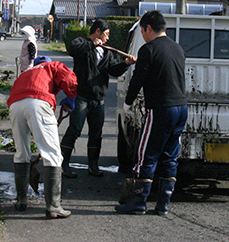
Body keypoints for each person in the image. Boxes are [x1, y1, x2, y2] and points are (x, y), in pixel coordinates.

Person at [115, 11, 188, 216]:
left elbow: (138, 79)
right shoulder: (178, 48)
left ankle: (138, 202)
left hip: (161, 109)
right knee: (170, 156)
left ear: (148, 28)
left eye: (142, 31)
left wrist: (127, 103)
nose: (143, 35)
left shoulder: (148, 49)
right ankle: (163, 204)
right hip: (181, 108)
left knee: (146, 154)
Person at [61, 19, 136, 178]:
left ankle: (93, 166)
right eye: (106, 34)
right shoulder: (82, 42)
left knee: (96, 134)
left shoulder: (107, 51)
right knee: (74, 130)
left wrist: (126, 64)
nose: (108, 38)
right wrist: (92, 44)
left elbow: (113, 71)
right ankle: (64, 163)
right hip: (81, 96)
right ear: (97, 32)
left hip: (98, 99)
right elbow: (72, 49)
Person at [7, 55, 77, 218]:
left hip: (15, 105)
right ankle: (53, 207)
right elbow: (69, 80)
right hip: (38, 102)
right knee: (52, 154)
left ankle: (21, 200)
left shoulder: (26, 73)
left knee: (21, 152)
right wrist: (71, 98)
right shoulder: (53, 66)